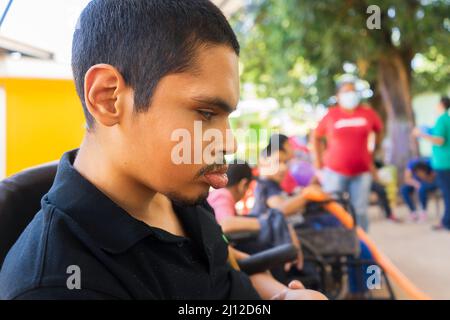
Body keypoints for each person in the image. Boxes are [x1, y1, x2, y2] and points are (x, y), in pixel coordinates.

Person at [0, 0, 326, 300]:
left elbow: (221, 267)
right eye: (207, 113)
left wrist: (279, 296)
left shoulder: (174, 190)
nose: (229, 144)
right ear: (107, 97)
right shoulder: (59, 285)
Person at [313, 81, 383, 231]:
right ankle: (336, 245)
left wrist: (372, 152)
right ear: (338, 96)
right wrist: (318, 163)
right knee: (334, 209)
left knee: (360, 211)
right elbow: (316, 137)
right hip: (334, 171)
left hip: (362, 171)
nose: (350, 94)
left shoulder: (368, 113)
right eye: (346, 91)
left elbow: (379, 130)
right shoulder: (331, 115)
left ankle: (361, 247)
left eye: (353, 91)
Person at [414, 96, 450, 231]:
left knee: (447, 193)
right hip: (446, 162)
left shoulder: (441, 119)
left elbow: (440, 140)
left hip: (444, 163)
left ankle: (447, 222)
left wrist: (421, 135)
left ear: (441, 104)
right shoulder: (447, 119)